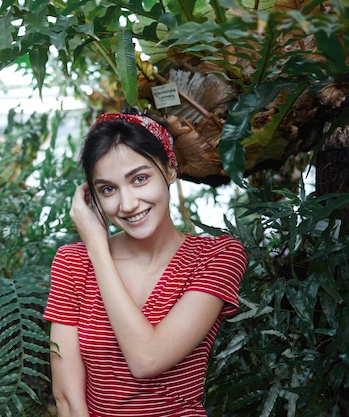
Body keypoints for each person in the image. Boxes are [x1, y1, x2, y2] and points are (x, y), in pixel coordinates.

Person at [43, 111, 247, 417]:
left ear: (169, 169)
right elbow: (68, 398)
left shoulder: (217, 256)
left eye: (139, 179)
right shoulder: (72, 263)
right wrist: (94, 248)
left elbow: (146, 359)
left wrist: (97, 247)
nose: (127, 205)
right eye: (108, 189)